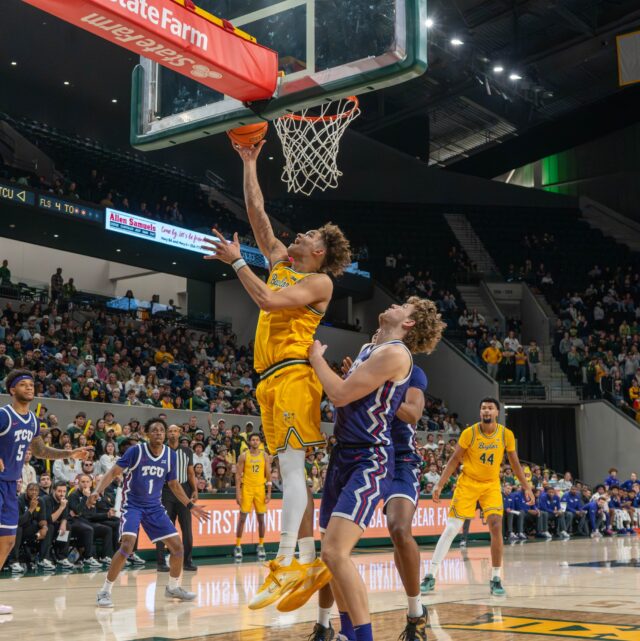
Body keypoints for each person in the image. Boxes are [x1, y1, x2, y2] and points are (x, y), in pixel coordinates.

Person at [203, 140, 352, 611]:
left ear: (321, 252)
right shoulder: (283, 263)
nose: (299, 236)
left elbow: (266, 301)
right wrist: (248, 163)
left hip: (293, 375)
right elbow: (257, 213)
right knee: (291, 473)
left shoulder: (320, 282)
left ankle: (286, 561)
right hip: (267, 379)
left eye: (309, 235)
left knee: (291, 469)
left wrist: (238, 262)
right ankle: (306, 559)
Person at [310, 298, 444, 641]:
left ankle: (410, 613)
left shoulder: (401, 358)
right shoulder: (369, 348)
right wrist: (357, 379)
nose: (394, 303)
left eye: (404, 306)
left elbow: (344, 396)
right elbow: (348, 395)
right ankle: (337, 628)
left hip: (380, 456)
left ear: (410, 324)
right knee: (330, 554)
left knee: (386, 533)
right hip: (344, 453)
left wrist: (319, 361)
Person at [88, 417, 209, 607]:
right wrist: (97, 490)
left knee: (178, 547)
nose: (159, 433)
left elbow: (174, 484)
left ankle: (173, 587)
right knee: (127, 545)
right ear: (147, 433)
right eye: (155, 430)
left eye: (162, 430)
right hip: (133, 505)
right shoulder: (136, 451)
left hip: (154, 507)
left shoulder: (171, 455)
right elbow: (113, 472)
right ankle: (104, 591)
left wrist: (190, 505)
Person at [421, 398, 534, 597]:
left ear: (497, 412)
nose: (486, 411)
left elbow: (515, 464)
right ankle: (431, 575)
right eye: (483, 408)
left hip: (490, 485)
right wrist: (440, 484)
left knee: (496, 526)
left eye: (490, 408)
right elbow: (454, 459)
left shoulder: (505, 435)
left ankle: (496, 578)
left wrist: (526, 487)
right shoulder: (470, 433)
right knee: (451, 528)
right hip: (468, 483)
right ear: (480, 412)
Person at [0, 369, 88, 615]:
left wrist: (69, 453)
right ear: (12, 390)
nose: (29, 388)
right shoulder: (4, 415)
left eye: (32, 384)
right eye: (24, 384)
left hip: (9, 486)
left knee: (6, 541)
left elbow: (40, 452)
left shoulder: (32, 421)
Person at [156, 424, 198, 572]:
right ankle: (161, 562)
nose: (173, 433)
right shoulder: (161, 450)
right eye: (170, 431)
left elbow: (191, 473)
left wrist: (194, 489)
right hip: (166, 491)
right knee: (164, 527)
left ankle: (187, 561)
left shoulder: (187, 451)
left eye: (175, 431)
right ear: (167, 434)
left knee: (186, 528)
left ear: (179, 433)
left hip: (184, 490)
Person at [234, 432, 271, 562]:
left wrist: (269, 492)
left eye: (257, 440)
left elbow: (268, 475)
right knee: (242, 518)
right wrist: (238, 493)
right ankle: (238, 546)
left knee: (261, 518)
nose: (255, 442)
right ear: (249, 442)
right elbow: (238, 476)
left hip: (260, 489)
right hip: (247, 489)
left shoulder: (264, 456)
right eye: (253, 440)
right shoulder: (243, 456)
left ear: (260, 442)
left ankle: (261, 545)